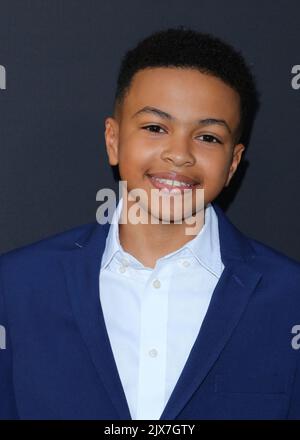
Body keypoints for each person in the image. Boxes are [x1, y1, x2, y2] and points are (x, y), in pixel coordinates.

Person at [0, 26, 299, 420]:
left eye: (208, 137)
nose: (179, 154)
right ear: (113, 139)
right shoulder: (16, 286)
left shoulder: (289, 298)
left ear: (233, 163)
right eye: (156, 128)